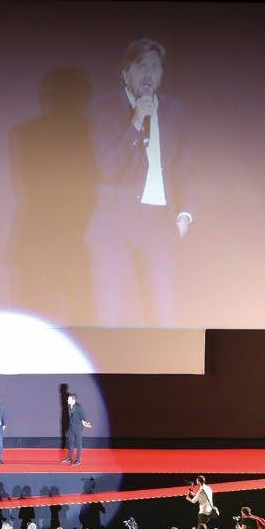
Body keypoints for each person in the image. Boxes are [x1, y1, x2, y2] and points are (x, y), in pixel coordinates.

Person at [88, 35, 194, 324]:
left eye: (155, 67)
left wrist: (185, 213)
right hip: (114, 222)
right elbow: (108, 167)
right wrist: (135, 121)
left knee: (164, 311)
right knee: (111, 312)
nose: (149, 74)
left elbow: (182, 166)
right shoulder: (103, 108)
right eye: (141, 66)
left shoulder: (175, 110)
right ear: (126, 73)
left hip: (159, 223)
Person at [65, 393, 92, 465]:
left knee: (78, 444)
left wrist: (85, 423)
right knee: (70, 443)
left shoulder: (79, 407)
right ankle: (69, 458)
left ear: (73, 400)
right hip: (71, 427)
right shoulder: (69, 406)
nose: (67, 400)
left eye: (69, 399)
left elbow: (83, 417)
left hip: (78, 428)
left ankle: (78, 460)